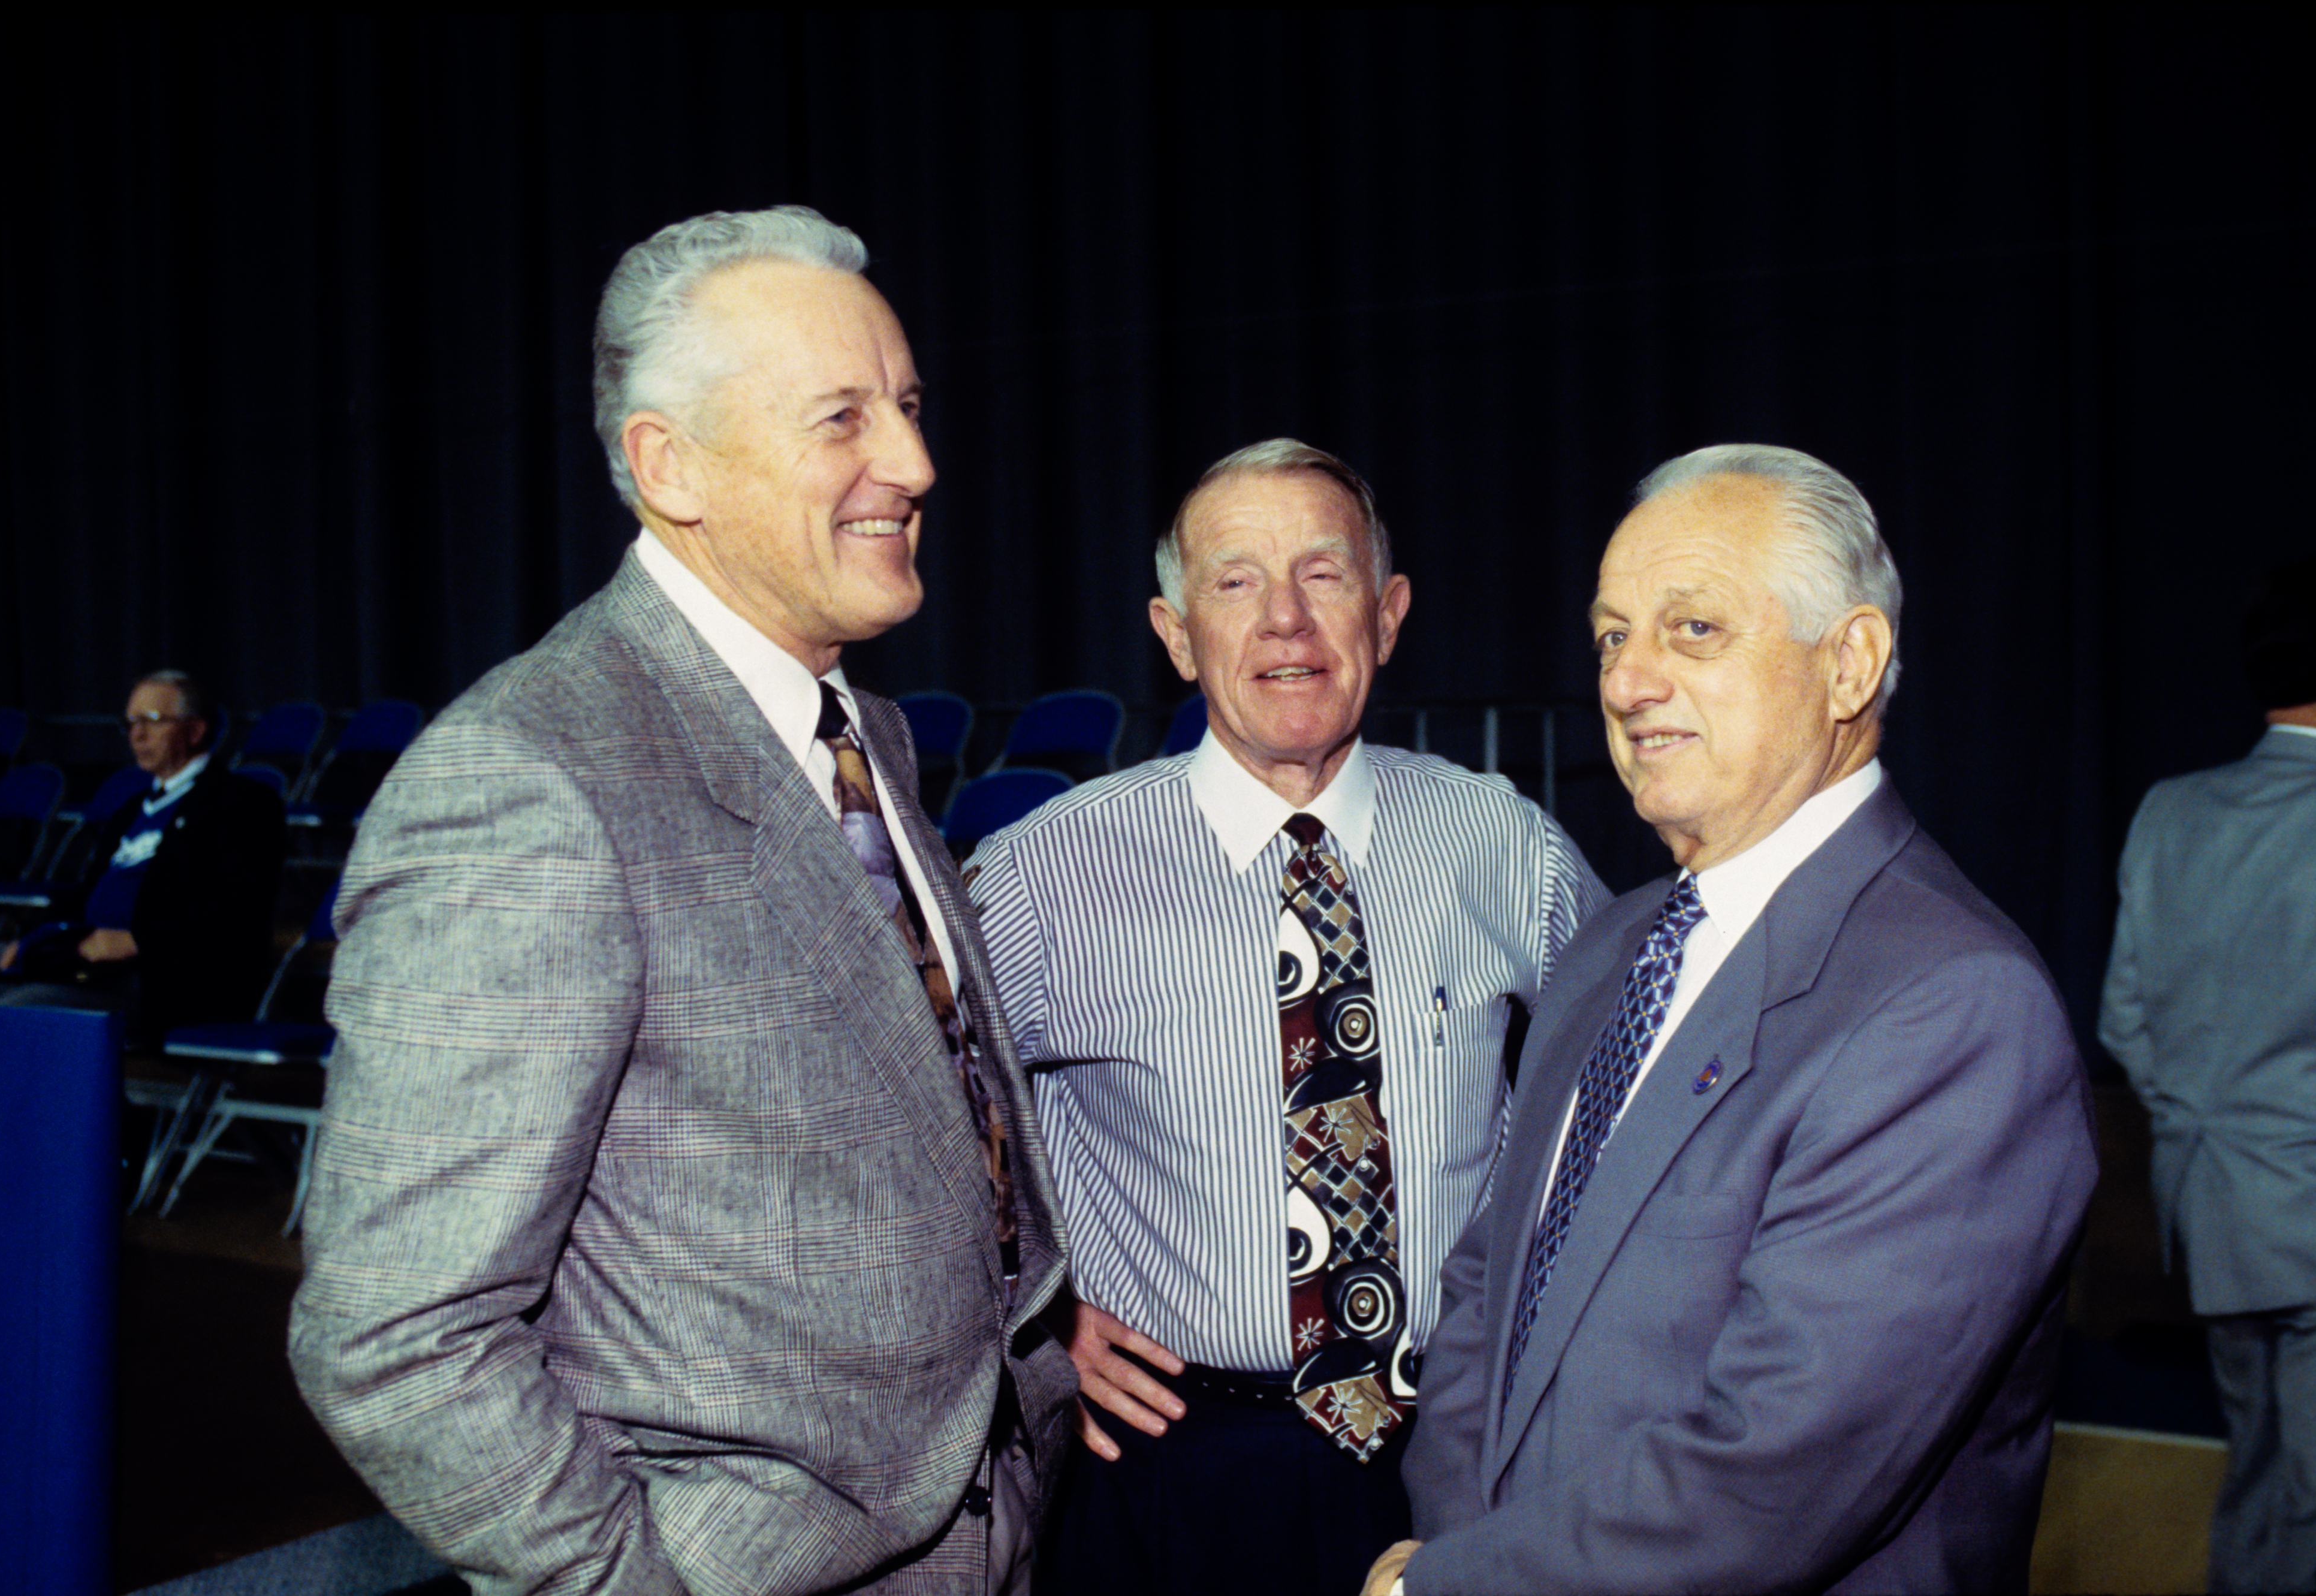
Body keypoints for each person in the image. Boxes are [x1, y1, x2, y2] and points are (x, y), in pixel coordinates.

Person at [288, 208, 1077, 1595]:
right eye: (842, 418)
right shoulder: (528, 777)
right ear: (670, 465)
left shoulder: (863, 733)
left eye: (904, 406)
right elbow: (393, 1328)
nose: (914, 463)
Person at [1376, 444, 2098, 1595]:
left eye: (1692, 629)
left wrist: (1448, 1586)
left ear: (1849, 663)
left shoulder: (1954, 1007)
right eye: (1612, 635)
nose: (1626, 681)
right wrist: (1460, 1543)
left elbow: (1779, 1472)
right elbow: (1486, 1296)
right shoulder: (1612, 945)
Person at [966, 439, 1608, 1596]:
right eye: (1234, 581)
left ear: (1388, 611)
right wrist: (1026, 1319)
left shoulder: (1502, 843)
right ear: (1173, 633)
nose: (1283, 623)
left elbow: (1627, 1089)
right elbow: (913, 1123)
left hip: (1456, 1459)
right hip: (1169, 1470)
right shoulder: (1043, 872)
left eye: (1323, 576)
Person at [2100, 556, 2316, 1595]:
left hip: (2216, 1211)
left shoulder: (2167, 812)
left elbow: (2122, 1022)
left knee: (2260, 1468)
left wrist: (2215, 1135)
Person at [0, 669, 283, 1044]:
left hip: (159, 981)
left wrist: (134, 941)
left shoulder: (242, 804)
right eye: (131, 722)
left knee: (19, 1011)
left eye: (152, 721)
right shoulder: (131, 808)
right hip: (84, 959)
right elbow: (87, 891)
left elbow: (236, 913)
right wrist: (30, 940)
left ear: (195, 731)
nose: (137, 734)